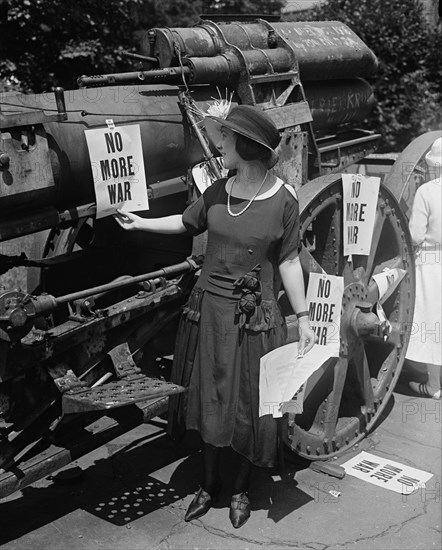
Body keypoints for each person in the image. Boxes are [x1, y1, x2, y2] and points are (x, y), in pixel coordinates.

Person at [114, 104, 316, 527]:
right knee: (210, 400)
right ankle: (208, 486)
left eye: (226, 139)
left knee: (246, 404)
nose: (220, 145)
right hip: (208, 312)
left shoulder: (284, 199)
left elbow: (289, 262)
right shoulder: (217, 192)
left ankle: (240, 489)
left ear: (244, 146)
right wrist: (140, 223)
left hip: (254, 318)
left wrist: (304, 316)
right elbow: (186, 224)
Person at [406, 136, 442, 399]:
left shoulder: (426, 192)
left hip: (432, 262)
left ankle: (434, 385)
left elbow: (415, 236)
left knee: (433, 322)